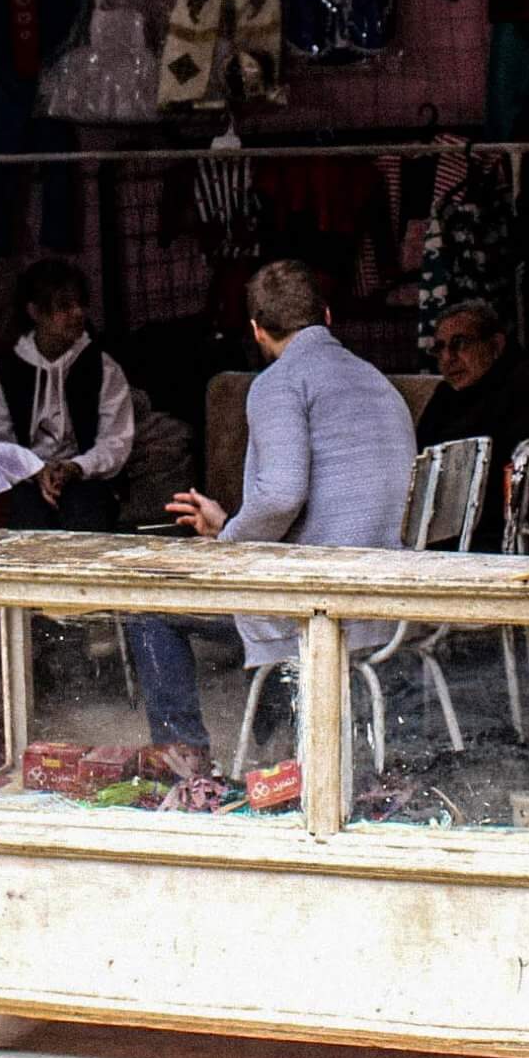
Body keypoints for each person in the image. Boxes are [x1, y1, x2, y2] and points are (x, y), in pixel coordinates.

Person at [149, 260, 417, 750]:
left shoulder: (278, 383)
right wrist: (228, 523)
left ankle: (183, 759)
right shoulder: (376, 380)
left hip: (322, 607)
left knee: (150, 609)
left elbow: (281, 494)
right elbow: (323, 503)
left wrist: (228, 540)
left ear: (256, 331)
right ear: (328, 317)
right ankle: (273, 747)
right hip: (386, 601)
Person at [0, 258, 134, 532]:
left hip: (86, 478)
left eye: (79, 304)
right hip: (25, 480)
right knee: (26, 526)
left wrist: (75, 467)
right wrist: (34, 471)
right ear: (35, 312)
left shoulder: (102, 367)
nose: (77, 313)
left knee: (87, 521)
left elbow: (115, 441)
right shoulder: (3, 373)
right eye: (64, 306)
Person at [415, 299, 529, 549]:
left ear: (496, 345)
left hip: (497, 543)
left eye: (459, 344)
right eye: (440, 349)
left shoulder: (526, 390)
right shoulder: (445, 396)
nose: (447, 358)